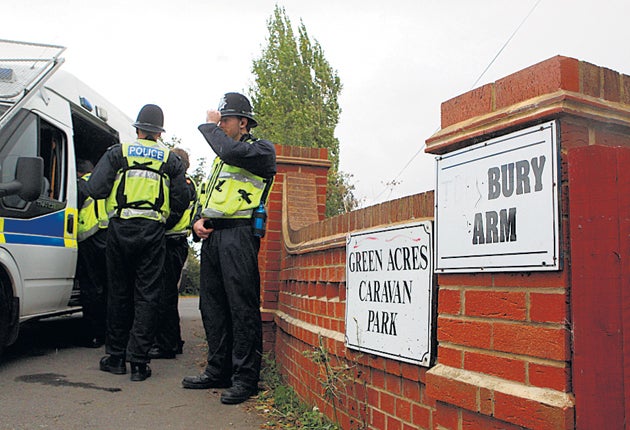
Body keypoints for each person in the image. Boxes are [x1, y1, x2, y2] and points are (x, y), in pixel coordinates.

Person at [182, 93, 276, 405]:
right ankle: (217, 370)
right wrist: (197, 222)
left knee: (241, 309)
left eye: (225, 120)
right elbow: (208, 196)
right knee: (212, 308)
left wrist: (208, 127)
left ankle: (245, 379)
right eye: (219, 120)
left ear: (243, 122)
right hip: (213, 238)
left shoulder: (260, 151)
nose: (220, 125)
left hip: (239, 235)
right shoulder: (221, 158)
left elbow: (230, 149)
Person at [87, 104, 188, 382]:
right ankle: (140, 363)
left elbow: (95, 189)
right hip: (153, 232)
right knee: (148, 295)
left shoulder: (119, 152)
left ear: (138, 129)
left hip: (120, 230)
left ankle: (116, 358)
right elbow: (181, 200)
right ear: (159, 133)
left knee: (118, 293)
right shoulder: (170, 159)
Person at [149, 147, 197, 359]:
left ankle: (167, 345)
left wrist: (156, 227)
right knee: (165, 294)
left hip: (172, 242)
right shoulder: (186, 183)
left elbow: (175, 213)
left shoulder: (183, 186)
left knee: (165, 295)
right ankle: (172, 341)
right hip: (175, 243)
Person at [76, 159, 108, 348]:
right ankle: (107, 334)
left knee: (91, 288)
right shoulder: (106, 181)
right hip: (109, 237)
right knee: (109, 289)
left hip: (89, 238)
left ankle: (92, 335)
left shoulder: (82, 185)